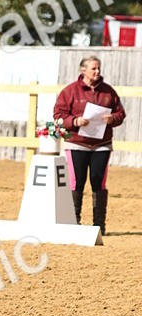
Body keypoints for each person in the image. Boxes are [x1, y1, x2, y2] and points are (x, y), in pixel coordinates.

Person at [53, 55, 125, 234]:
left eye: (99, 68)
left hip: (102, 144)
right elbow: (58, 116)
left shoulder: (109, 92)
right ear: (83, 70)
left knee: (98, 181)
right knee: (77, 182)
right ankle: (74, 222)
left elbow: (120, 114)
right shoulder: (69, 92)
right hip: (77, 143)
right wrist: (74, 121)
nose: (98, 71)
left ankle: (99, 225)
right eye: (94, 68)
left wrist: (112, 118)